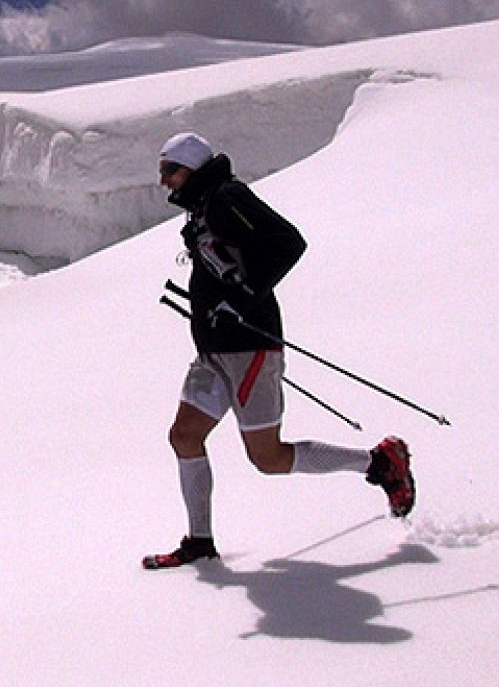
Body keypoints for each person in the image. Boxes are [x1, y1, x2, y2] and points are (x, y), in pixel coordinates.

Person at [143, 132, 415, 570]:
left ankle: (380, 462)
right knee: (184, 436)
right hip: (214, 350)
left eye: (170, 170)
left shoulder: (227, 198)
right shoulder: (203, 209)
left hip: (250, 346)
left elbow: (288, 242)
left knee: (267, 459)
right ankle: (199, 542)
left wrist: (243, 298)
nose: (164, 181)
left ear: (192, 167)